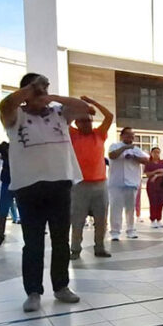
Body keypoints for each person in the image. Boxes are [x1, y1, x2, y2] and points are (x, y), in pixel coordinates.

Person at [0, 73, 89, 312]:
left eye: (45, 86)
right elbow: (5, 104)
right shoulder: (15, 115)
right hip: (28, 187)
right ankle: (33, 292)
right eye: (37, 87)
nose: (42, 91)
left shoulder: (59, 113)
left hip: (60, 183)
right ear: (26, 91)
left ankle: (61, 287)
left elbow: (85, 108)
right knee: (33, 243)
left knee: (61, 240)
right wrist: (30, 89)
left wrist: (51, 95)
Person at [68, 97, 113, 260]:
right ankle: (75, 249)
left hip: (100, 184)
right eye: (82, 121)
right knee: (77, 219)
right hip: (79, 185)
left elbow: (109, 117)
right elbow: (64, 118)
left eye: (88, 121)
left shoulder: (99, 134)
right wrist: (80, 108)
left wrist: (93, 103)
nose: (86, 124)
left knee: (101, 220)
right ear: (76, 123)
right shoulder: (72, 135)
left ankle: (100, 247)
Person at [107, 127, 149, 240]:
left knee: (130, 208)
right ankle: (115, 232)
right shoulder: (114, 146)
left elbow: (147, 160)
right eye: (128, 135)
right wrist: (125, 148)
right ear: (122, 136)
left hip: (132, 182)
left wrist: (134, 157)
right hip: (116, 183)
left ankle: (131, 230)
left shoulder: (136, 149)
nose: (130, 138)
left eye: (132, 136)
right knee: (116, 208)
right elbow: (112, 155)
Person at [0, 140, 19, 247]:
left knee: (23, 211)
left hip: (18, 181)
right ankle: (0, 235)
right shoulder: (5, 147)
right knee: (2, 211)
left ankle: (1, 236)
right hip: (8, 182)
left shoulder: (19, 145)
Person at [146, 148, 163, 228]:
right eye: (155, 152)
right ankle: (153, 219)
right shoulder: (149, 163)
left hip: (162, 185)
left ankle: (159, 219)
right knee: (153, 202)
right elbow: (147, 174)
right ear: (151, 153)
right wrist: (156, 171)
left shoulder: (162, 162)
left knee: (160, 202)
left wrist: (157, 175)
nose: (156, 154)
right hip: (152, 186)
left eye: (158, 152)